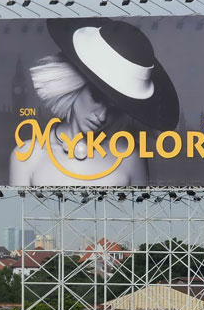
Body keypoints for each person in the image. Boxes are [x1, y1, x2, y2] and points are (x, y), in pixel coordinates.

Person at [9, 17, 179, 186]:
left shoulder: (130, 159)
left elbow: (143, 213)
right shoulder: (26, 157)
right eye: (97, 97)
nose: (102, 116)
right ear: (75, 84)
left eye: (115, 107)